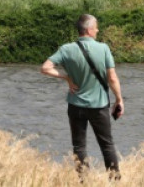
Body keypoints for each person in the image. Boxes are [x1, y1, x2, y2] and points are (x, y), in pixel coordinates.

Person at [40, 13, 123, 179]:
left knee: (79, 146)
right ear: (90, 30)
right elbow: (112, 78)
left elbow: (45, 68)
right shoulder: (103, 48)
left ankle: (84, 181)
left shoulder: (66, 49)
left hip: (76, 105)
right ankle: (114, 180)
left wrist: (66, 77)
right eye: (96, 27)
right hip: (99, 106)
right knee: (107, 145)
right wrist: (119, 100)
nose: (98, 30)